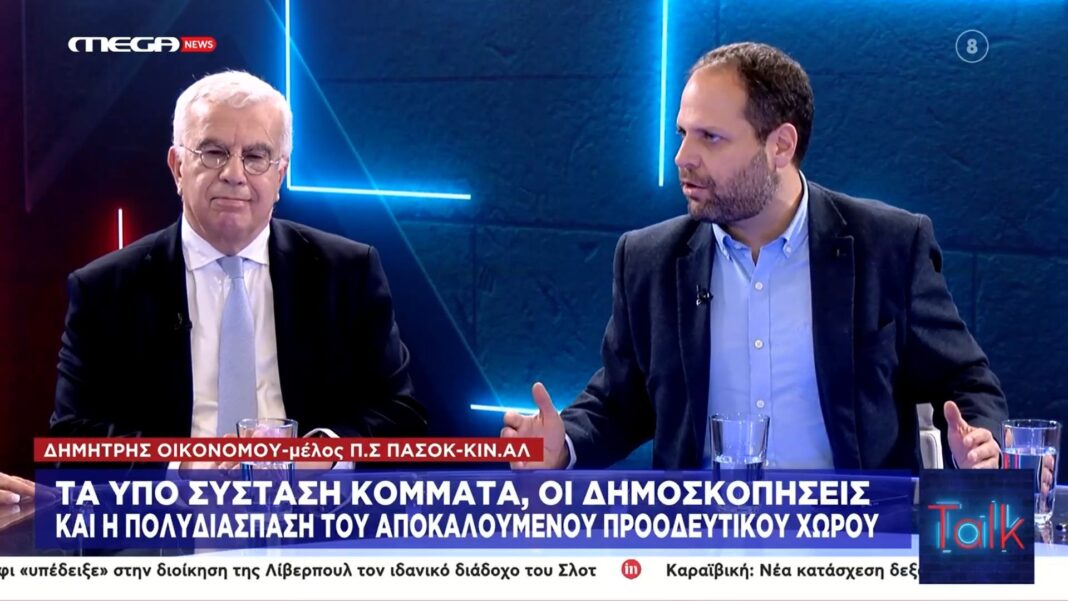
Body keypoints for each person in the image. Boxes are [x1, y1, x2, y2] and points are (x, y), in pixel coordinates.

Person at [501, 42, 1007, 471]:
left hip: (857, 536)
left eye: (710, 137)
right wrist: (561, 445)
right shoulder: (648, 260)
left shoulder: (889, 246)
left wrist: (982, 444)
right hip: (700, 539)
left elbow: (967, 384)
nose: (682, 158)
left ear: (780, 145)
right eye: (683, 134)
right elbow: (618, 402)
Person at [50, 71, 426, 456]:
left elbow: (401, 416)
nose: (234, 175)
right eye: (213, 153)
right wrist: (178, 465)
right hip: (170, 494)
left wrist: (321, 455)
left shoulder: (347, 272)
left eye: (255, 157)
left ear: (280, 174)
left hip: (309, 492)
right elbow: (70, 438)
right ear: (178, 167)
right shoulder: (105, 289)